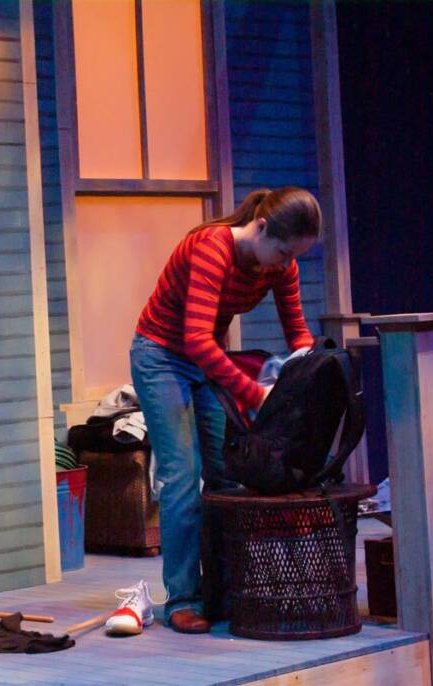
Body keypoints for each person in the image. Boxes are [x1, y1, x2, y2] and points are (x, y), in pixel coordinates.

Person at [129, 187, 320, 633]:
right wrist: (257, 394)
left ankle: (223, 590)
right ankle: (182, 598)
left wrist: (309, 372)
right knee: (181, 474)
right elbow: (195, 339)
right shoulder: (213, 248)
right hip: (161, 356)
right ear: (261, 227)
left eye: (293, 256)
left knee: (226, 474)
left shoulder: (279, 265)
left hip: (205, 361)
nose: (284, 263)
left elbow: (297, 332)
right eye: (282, 251)